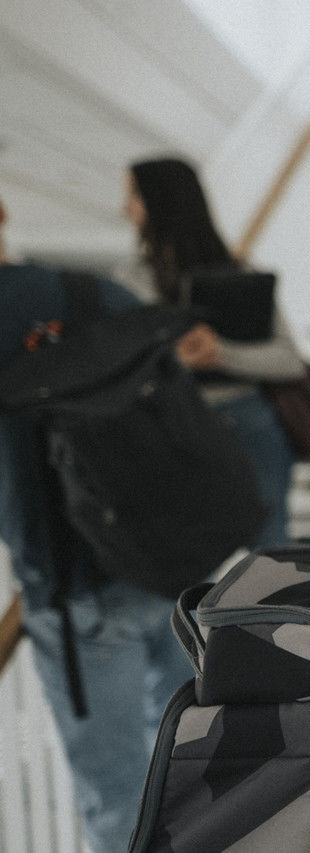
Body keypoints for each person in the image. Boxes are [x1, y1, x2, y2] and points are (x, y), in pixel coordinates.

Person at [0, 196, 193, 853]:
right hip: (171, 573)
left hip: (71, 591)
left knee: (118, 799)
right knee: (192, 775)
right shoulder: (100, 294)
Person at [121, 157, 304, 546]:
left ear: (163, 200)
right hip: (172, 423)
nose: (124, 208)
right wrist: (175, 361)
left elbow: (288, 361)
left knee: (269, 557)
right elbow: (121, 369)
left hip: (245, 420)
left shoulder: (241, 274)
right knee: (186, 558)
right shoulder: (128, 280)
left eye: (133, 194)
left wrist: (221, 353)